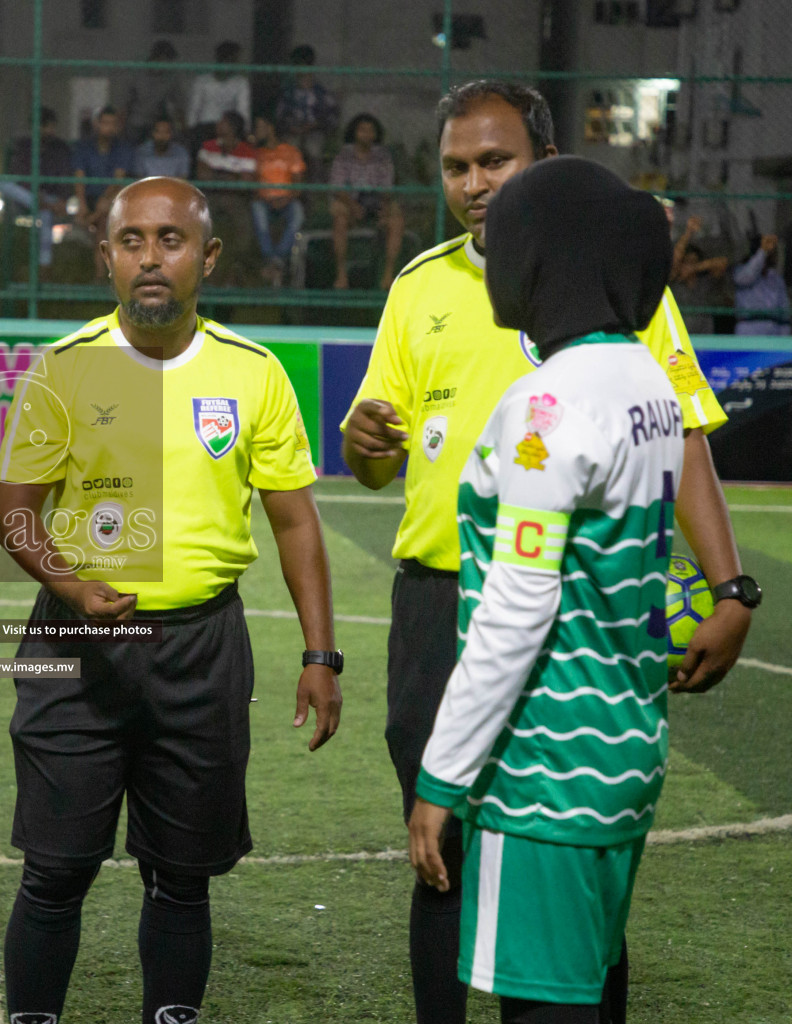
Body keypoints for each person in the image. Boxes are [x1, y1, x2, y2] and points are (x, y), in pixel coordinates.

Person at [339, 79, 754, 1024]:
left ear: (546, 164)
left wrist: (731, 584)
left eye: (496, 162)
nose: (476, 183)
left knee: (560, 842)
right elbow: (378, 454)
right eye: (455, 167)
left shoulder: (608, 278)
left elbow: (684, 429)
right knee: (441, 854)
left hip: (560, 613)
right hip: (440, 604)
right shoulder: (419, 287)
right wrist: (364, 450)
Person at [0, 176, 342, 1024]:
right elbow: (14, 513)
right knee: (55, 871)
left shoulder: (253, 374)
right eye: (133, 241)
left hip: (202, 649)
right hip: (75, 652)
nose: (152, 258)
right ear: (106, 254)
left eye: (172, 241)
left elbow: (296, 524)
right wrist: (71, 583)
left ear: (208, 256)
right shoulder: (63, 369)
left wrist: (320, 655)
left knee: (183, 878)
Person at [409, 156, 692, 1024]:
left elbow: (516, 610)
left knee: (544, 1008)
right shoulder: (645, 382)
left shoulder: (546, 406)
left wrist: (441, 776)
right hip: (624, 748)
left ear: (541, 259)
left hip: (550, 770)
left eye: (504, 244)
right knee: (588, 988)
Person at [329, 112, 403, 290]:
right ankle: (341, 275)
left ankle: (388, 276)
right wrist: (353, 206)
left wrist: (383, 206)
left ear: (376, 134)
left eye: (370, 131)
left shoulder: (383, 156)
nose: (366, 134)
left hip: (376, 204)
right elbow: (337, 188)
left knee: (396, 219)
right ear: (354, 132)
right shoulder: (343, 155)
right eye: (362, 130)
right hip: (350, 204)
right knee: (339, 216)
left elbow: (387, 187)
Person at [1, 106, 75, 267]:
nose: (49, 130)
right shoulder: (24, 146)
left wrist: (62, 199)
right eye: (45, 126)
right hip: (27, 197)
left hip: (50, 198)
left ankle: (44, 266)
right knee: (4, 184)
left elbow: (65, 175)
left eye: (50, 126)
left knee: (45, 215)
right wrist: (36, 193)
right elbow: (20, 174)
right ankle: (41, 203)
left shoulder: (59, 147)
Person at [195, 110, 259, 274]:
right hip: (211, 195)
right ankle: (199, 263)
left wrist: (217, 174)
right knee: (201, 220)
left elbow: (247, 181)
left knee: (244, 225)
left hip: (236, 197)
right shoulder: (208, 146)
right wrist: (233, 176)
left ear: (232, 127)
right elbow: (202, 175)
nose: (218, 125)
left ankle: (237, 265)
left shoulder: (247, 150)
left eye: (222, 123)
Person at [249, 113, 307, 283]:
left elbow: (298, 183)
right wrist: (266, 198)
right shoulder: (255, 154)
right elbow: (251, 183)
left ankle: (277, 259)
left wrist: (285, 198)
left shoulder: (290, 152)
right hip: (263, 201)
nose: (256, 131)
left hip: (287, 200)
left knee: (298, 213)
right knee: (257, 210)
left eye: (259, 127)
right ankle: (272, 259)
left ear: (270, 128)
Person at [274, 45, 339, 175]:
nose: (299, 69)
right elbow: (279, 115)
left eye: (302, 65)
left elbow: (332, 116)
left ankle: (315, 187)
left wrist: (315, 125)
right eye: (296, 65)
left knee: (314, 149)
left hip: (315, 132)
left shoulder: (321, 93)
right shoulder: (288, 92)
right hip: (292, 132)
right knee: (291, 148)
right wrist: (290, 127)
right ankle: (290, 187)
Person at [73, 105, 134, 242]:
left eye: (113, 124)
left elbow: (118, 180)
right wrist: (81, 203)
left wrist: (104, 199)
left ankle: (88, 221)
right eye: (105, 123)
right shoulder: (84, 147)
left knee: (104, 219)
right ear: (97, 124)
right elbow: (79, 176)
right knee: (84, 209)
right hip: (89, 196)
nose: (109, 128)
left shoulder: (123, 148)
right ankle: (89, 220)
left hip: (112, 197)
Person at [121, 39, 186, 142]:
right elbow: (124, 104)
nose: (167, 64)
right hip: (136, 121)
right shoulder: (137, 74)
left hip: (156, 123)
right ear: (157, 57)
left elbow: (179, 106)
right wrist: (121, 128)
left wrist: (183, 128)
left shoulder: (170, 78)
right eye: (165, 60)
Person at [185, 40, 249, 145]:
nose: (238, 63)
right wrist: (190, 130)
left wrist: (245, 131)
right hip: (205, 128)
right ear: (229, 59)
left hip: (229, 129)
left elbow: (243, 110)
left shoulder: (240, 82)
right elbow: (194, 108)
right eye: (236, 59)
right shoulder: (202, 81)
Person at [731, 234, 790, 335]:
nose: (773, 254)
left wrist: (785, 336)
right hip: (749, 327)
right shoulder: (741, 271)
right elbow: (747, 277)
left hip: (774, 329)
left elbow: (784, 310)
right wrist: (763, 251)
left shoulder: (776, 277)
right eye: (769, 250)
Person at [132, 115, 191, 179]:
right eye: (158, 132)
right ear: (153, 133)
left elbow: (183, 180)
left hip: (173, 188)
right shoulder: (142, 151)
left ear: (171, 134)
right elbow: (139, 180)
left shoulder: (181, 153)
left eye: (166, 132)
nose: (162, 136)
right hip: (148, 188)